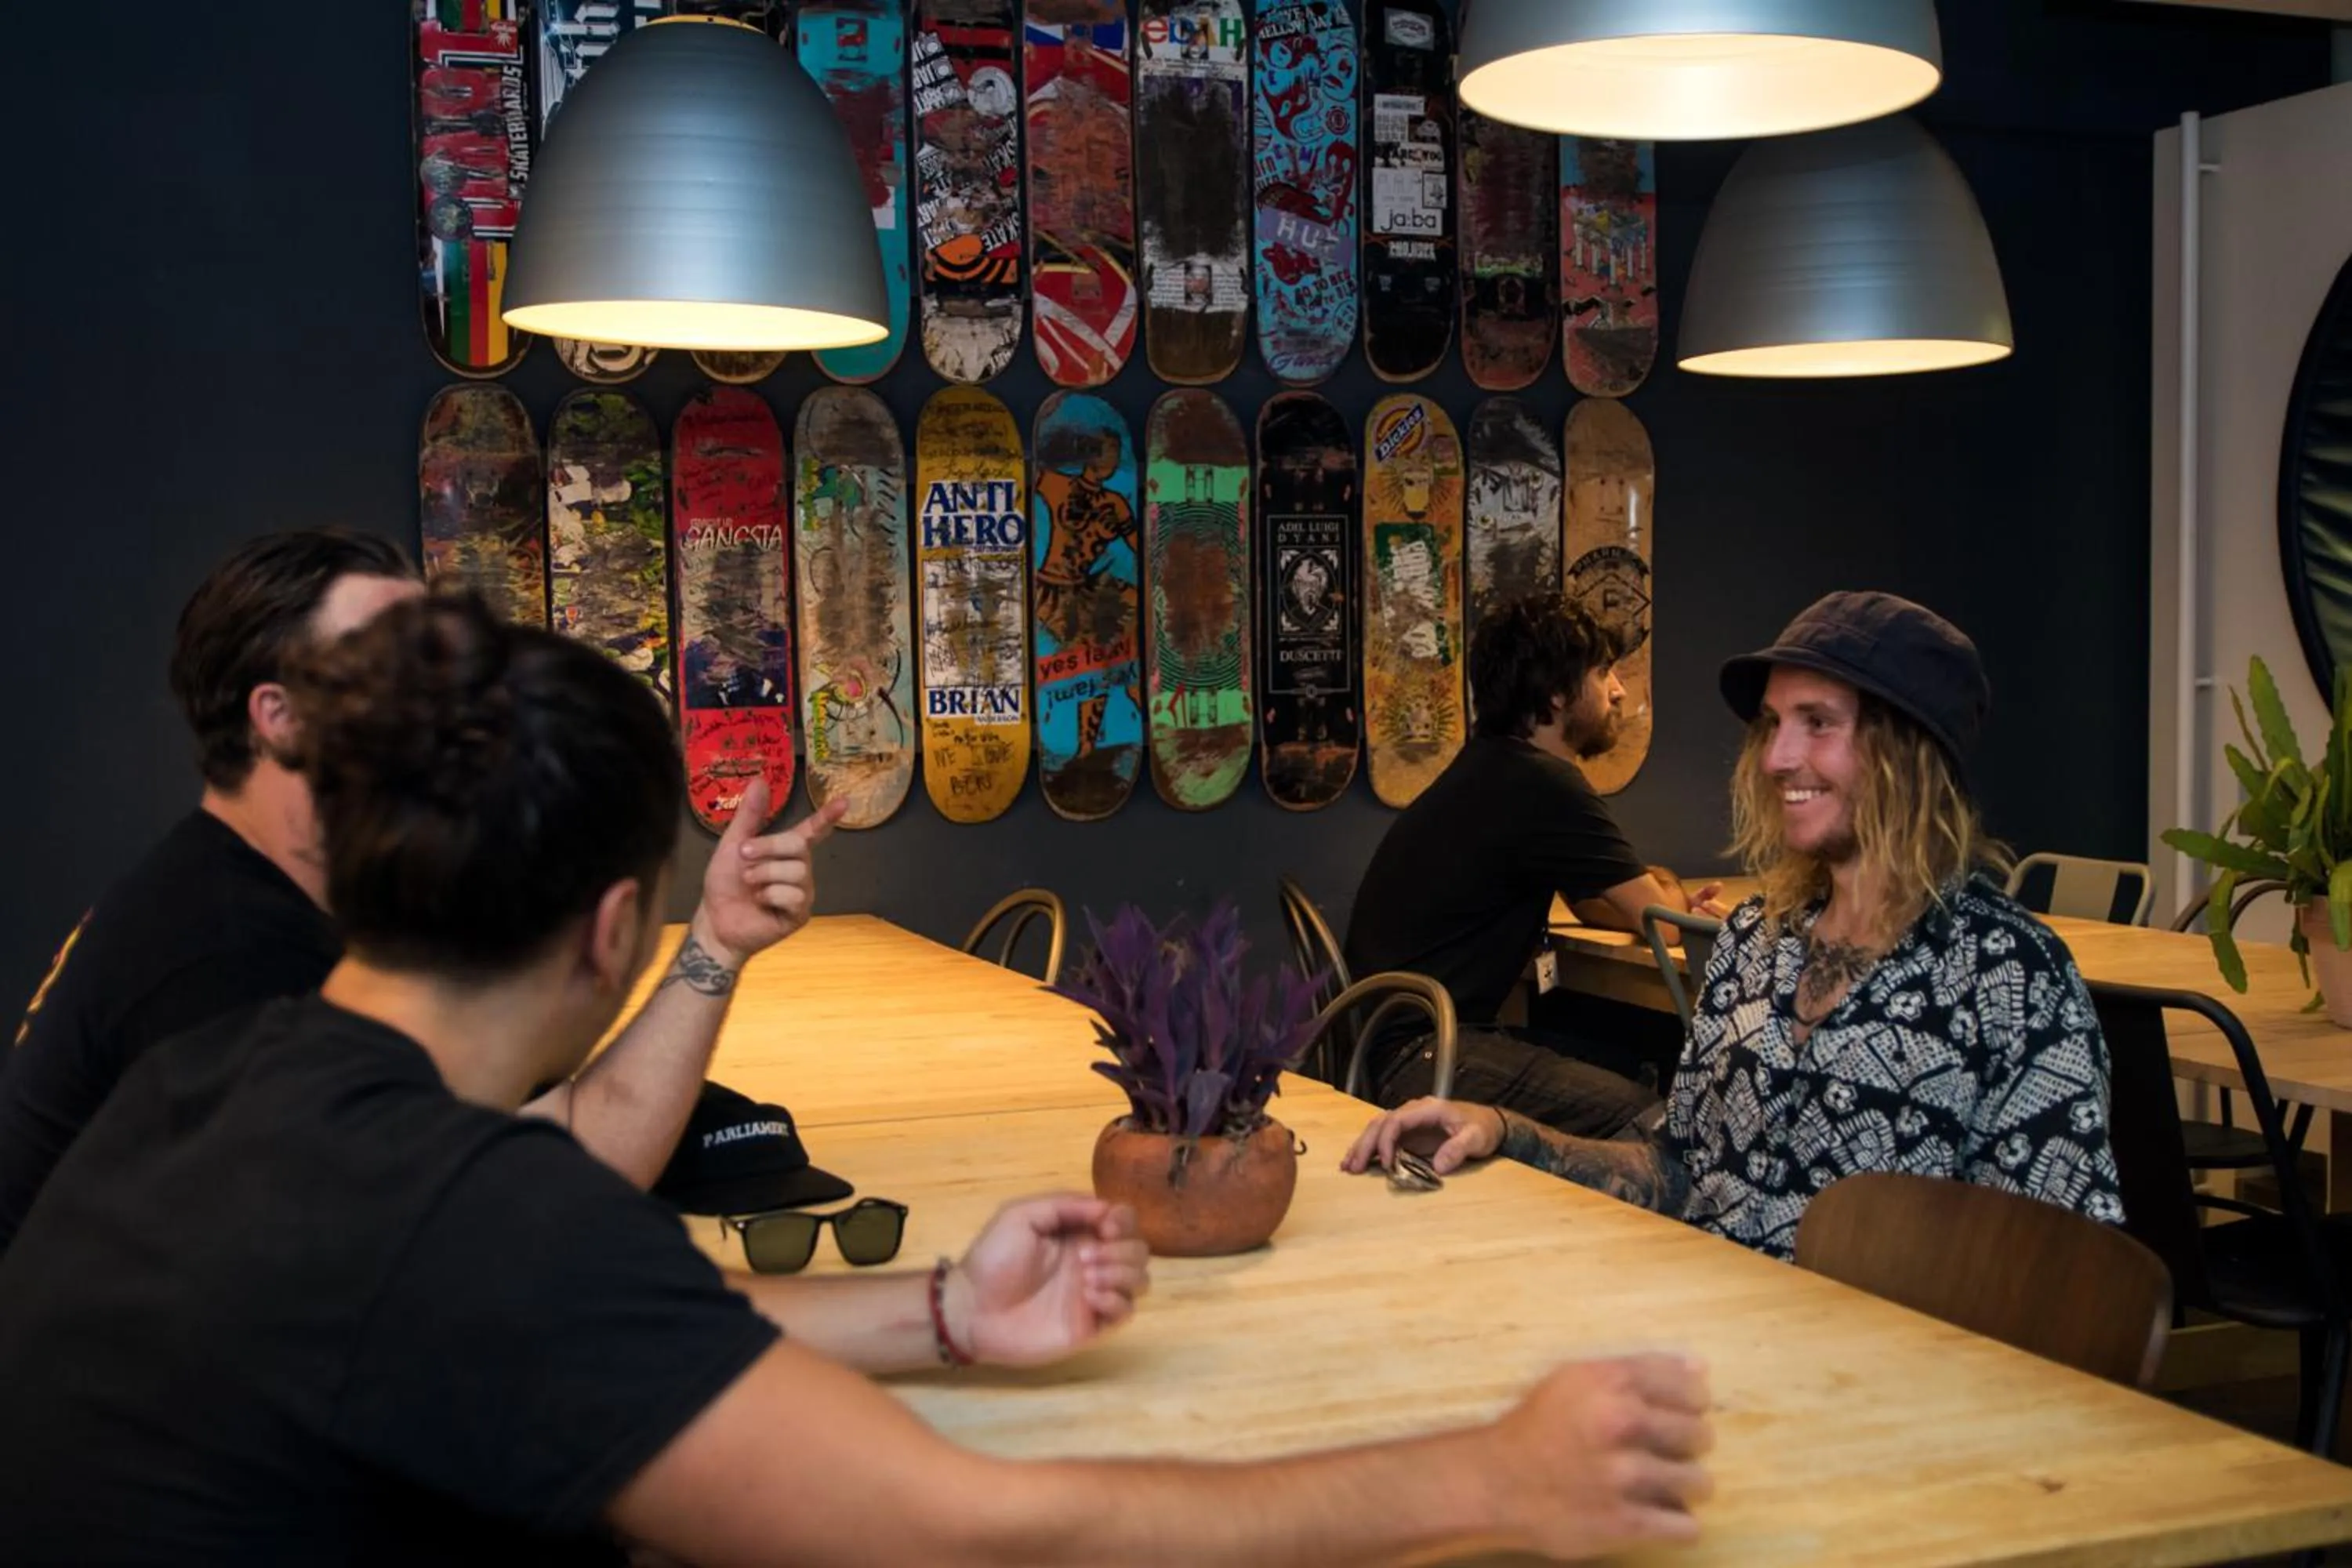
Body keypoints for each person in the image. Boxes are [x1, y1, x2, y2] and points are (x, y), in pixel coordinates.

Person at [0, 596, 1714, 1565]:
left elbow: (591, 1315)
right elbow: (982, 1534)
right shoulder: (468, 1218)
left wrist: (941, 1314)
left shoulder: (226, 1082)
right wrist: (1497, 1474)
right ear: (616, 928)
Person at [0, 528, 839, 1261]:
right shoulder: (223, 957)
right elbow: (541, 1200)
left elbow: (554, 1144)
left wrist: (718, 940)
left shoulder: (335, 904)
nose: (447, 700)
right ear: (279, 719)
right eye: (391, 668)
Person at [1345, 591, 2125, 1262]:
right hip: (1714, 1343)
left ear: (1908, 752)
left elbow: (2050, 1274)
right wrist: (1502, 1130)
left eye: (1817, 723)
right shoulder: (1756, 942)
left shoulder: (2010, 974)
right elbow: (1676, 1168)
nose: (1778, 756)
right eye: (1773, 724)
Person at [1341, 597, 1725, 1134]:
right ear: (1558, 694)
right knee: (1658, 1117)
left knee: (1642, 1068)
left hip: (1392, 1047)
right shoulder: (1543, 784)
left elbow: (1596, 905)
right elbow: (1660, 919)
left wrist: (1655, 900)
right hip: (1424, 1058)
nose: (1618, 690)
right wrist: (1669, 891)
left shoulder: (1495, 765)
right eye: (1603, 672)